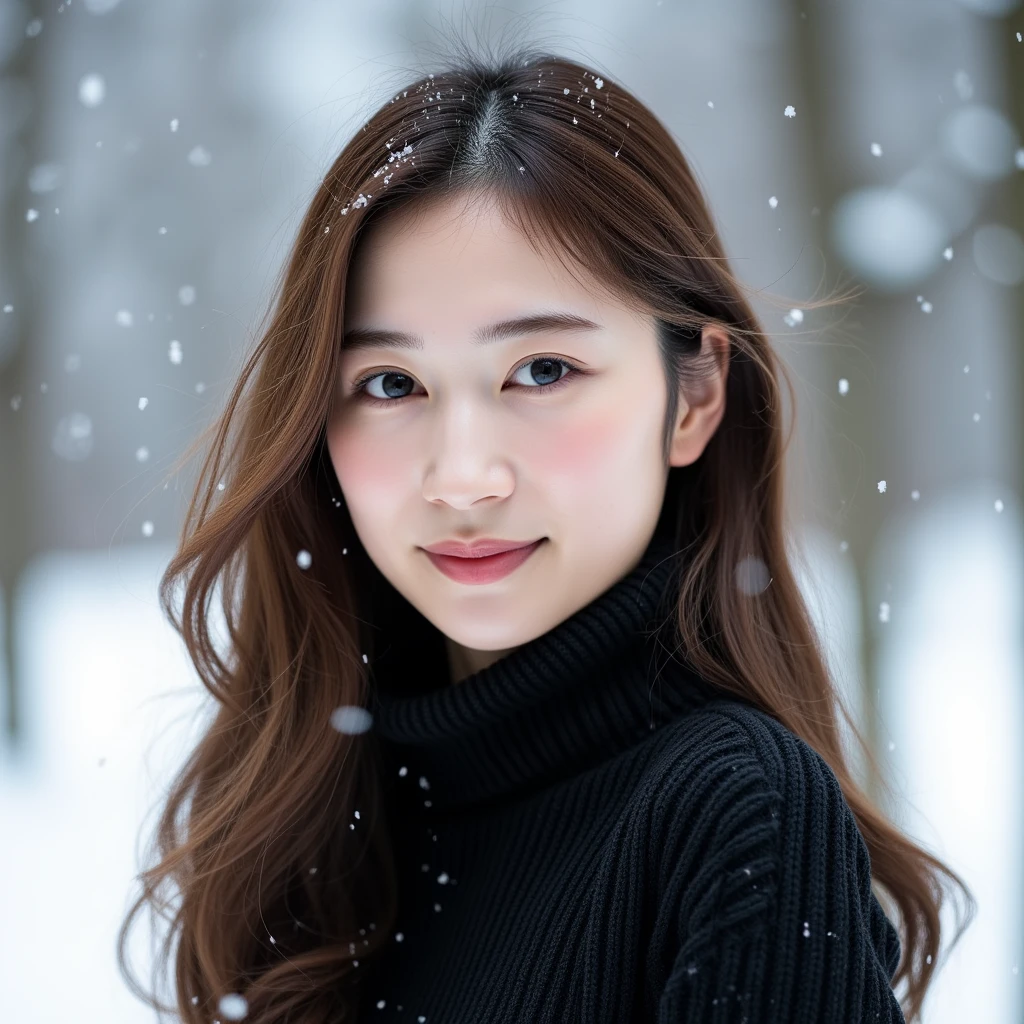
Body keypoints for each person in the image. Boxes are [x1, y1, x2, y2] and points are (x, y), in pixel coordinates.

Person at [118, 38, 974, 1024]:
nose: (464, 477)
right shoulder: (315, 829)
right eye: (391, 384)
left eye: (542, 371)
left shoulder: (742, 821)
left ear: (692, 397)